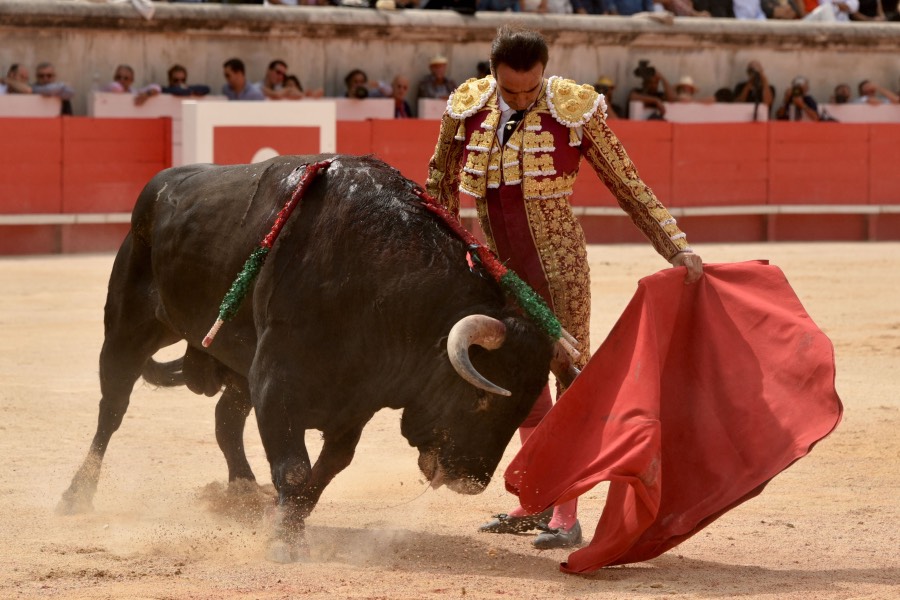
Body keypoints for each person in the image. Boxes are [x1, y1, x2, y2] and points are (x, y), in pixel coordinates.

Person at [426, 24, 703, 550]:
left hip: (559, 266)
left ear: (544, 73)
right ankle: (536, 499)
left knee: (568, 376)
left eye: (531, 89)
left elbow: (626, 182)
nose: (522, 99)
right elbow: (440, 185)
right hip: (497, 270)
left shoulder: (574, 108)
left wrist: (674, 245)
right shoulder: (467, 106)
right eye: (511, 91)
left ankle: (566, 515)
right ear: (492, 73)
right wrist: (445, 260)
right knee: (520, 380)